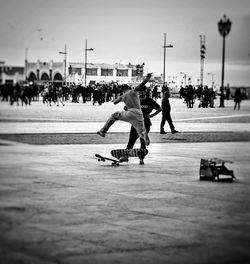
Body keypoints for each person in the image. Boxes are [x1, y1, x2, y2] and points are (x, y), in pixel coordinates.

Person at [97, 73, 152, 145]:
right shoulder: (134, 91)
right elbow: (143, 83)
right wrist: (148, 77)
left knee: (114, 116)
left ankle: (103, 131)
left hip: (129, 113)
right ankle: (145, 137)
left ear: (123, 90)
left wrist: (121, 98)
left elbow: (115, 102)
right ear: (129, 88)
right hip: (139, 114)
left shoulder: (123, 95)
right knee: (141, 132)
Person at [120, 86, 161, 162]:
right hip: (135, 124)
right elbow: (126, 108)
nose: (141, 93)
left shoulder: (150, 101)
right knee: (131, 141)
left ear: (146, 92)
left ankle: (141, 158)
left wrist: (152, 115)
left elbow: (159, 108)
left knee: (142, 142)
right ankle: (126, 156)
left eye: (143, 92)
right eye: (140, 92)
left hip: (146, 124)